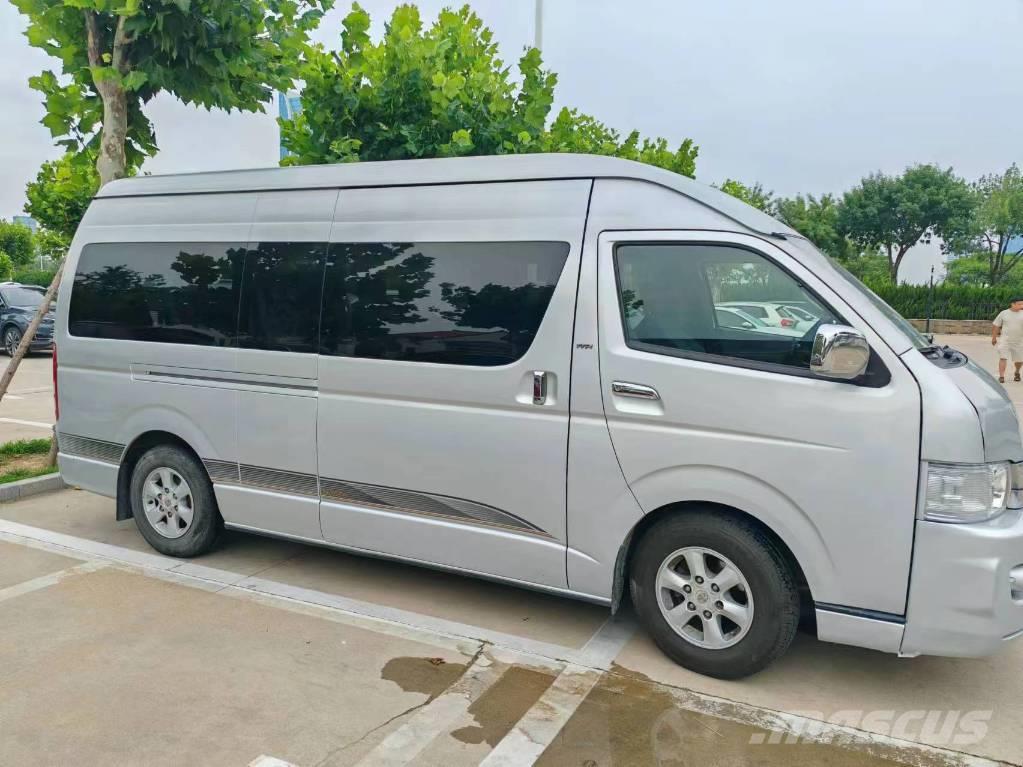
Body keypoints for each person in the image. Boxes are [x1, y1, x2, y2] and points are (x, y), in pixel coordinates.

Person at [992, 298, 1023, 383]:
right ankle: (1001, 376)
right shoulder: (1004, 313)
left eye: (1022, 304)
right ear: (1012, 304)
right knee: (1003, 357)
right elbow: (996, 326)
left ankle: (1017, 372)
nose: (1021, 306)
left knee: (1019, 360)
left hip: (1019, 341)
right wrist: (994, 338)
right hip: (1005, 340)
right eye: (1019, 304)